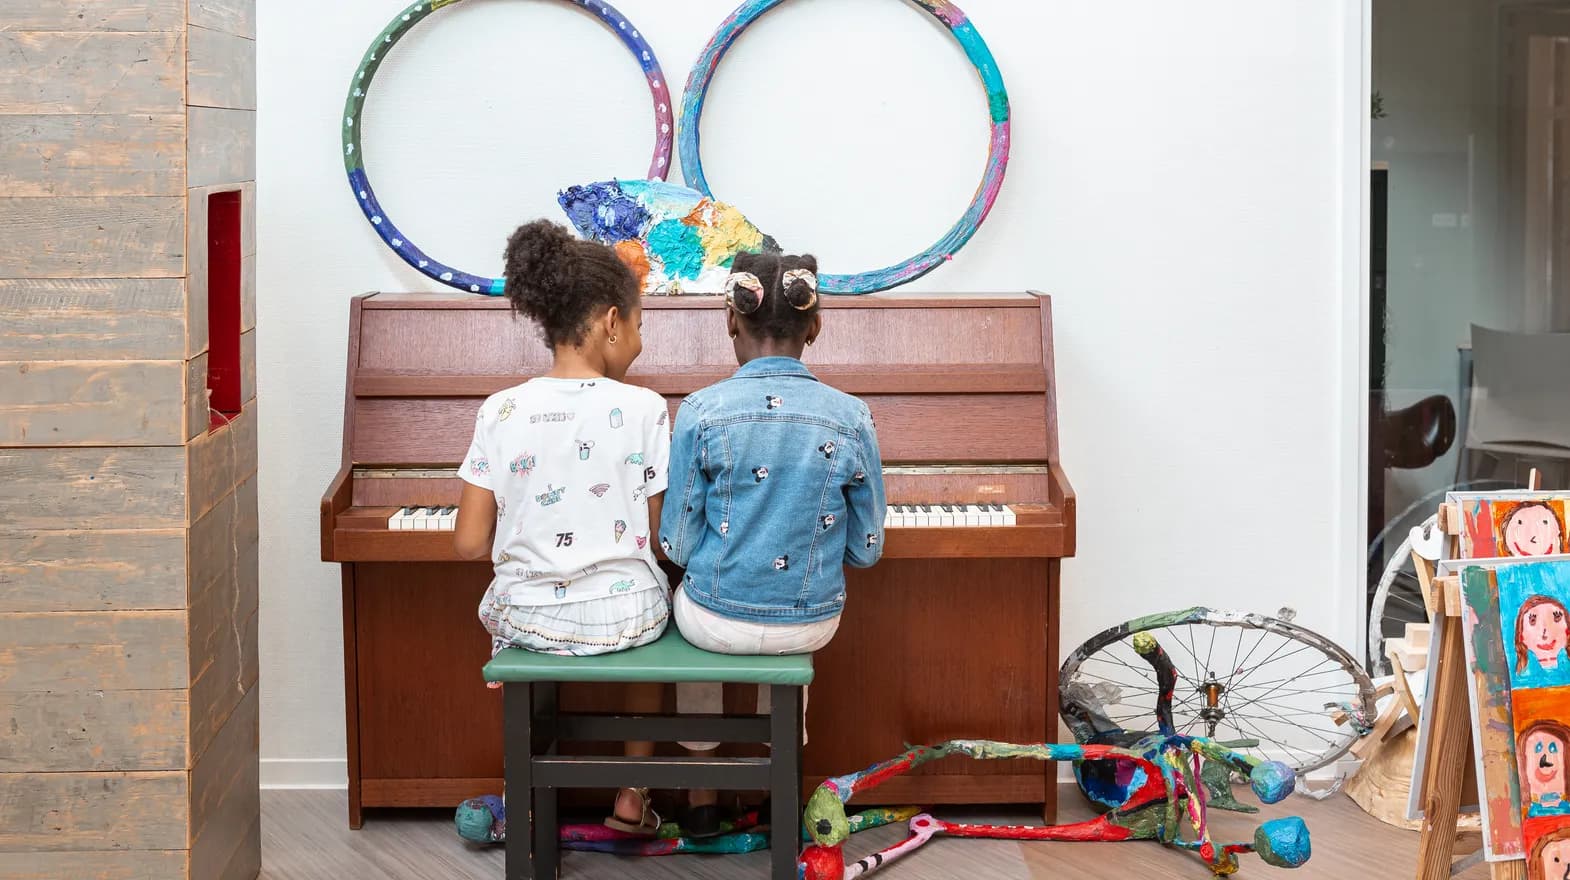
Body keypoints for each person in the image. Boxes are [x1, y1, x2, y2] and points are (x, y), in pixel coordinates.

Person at [659, 252, 888, 835]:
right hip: (809, 622)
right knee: (786, 626)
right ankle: (776, 788)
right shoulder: (852, 415)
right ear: (816, 326)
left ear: (730, 320)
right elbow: (867, 550)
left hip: (715, 620)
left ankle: (702, 794)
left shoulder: (700, 410)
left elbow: (676, 546)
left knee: (694, 603)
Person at [453, 219, 670, 835]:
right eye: (639, 326)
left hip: (530, 618)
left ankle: (521, 793)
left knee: (510, 612)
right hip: (629, 618)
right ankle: (633, 793)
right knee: (648, 605)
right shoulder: (646, 407)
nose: (639, 343)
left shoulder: (501, 409)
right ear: (610, 322)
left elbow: (468, 542)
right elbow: (660, 539)